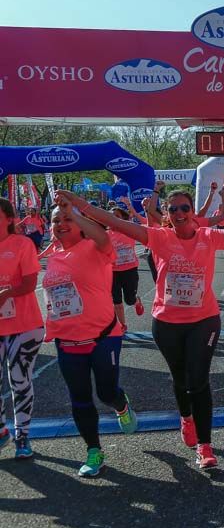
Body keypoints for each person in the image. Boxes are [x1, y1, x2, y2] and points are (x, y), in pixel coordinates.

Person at [58, 188, 224, 470]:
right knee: (180, 379)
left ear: (192, 211)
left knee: (198, 381)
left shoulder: (208, 236)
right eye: (174, 209)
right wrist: (77, 203)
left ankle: (205, 445)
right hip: (167, 321)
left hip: (204, 319)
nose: (180, 213)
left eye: (184, 208)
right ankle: (186, 417)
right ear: (166, 215)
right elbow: (113, 221)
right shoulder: (158, 237)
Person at [44, 193, 138, 477]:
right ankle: (94, 451)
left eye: (66, 219)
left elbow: (102, 235)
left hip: (103, 336)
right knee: (80, 398)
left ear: (81, 224)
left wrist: (74, 210)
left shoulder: (94, 247)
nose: (61, 223)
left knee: (106, 393)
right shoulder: (54, 257)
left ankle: (121, 405)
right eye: (55, 221)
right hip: (68, 341)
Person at [0, 197, 45, 459]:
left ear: (8, 218)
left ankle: (22, 435)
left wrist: (6, 292)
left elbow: (29, 283)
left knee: (20, 380)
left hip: (24, 325)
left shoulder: (21, 244)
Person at [109, 200, 145, 333]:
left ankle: (136, 301)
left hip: (130, 270)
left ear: (123, 218)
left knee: (129, 300)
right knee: (116, 301)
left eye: (116, 216)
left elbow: (134, 217)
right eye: (110, 217)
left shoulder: (129, 230)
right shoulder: (105, 234)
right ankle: (122, 325)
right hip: (113, 272)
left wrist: (129, 205)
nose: (113, 219)